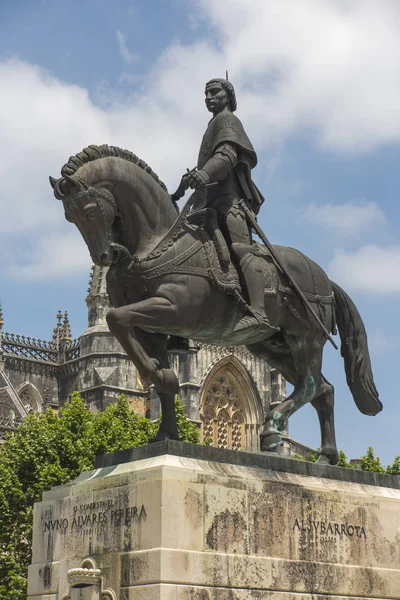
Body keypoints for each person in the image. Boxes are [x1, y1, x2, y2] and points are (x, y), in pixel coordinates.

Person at [181, 77, 273, 335]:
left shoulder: (227, 120)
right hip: (207, 202)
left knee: (241, 248)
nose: (209, 97)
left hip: (228, 201)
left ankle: (258, 311)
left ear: (228, 95)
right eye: (205, 93)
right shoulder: (212, 124)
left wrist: (205, 174)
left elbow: (228, 155)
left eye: (214, 92)